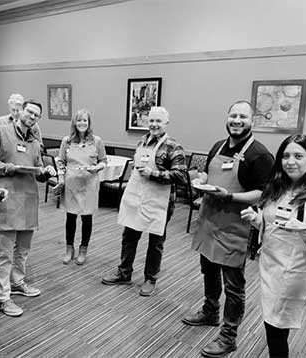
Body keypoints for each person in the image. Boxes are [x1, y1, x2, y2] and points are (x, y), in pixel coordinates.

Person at [181, 100, 275, 358]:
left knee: (234, 285)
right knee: (208, 270)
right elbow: (208, 177)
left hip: (235, 227)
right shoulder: (217, 146)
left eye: (243, 116)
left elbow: (264, 194)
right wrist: (201, 180)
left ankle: (228, 336)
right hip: (210, 221)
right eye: (233, 115)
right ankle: (210, 311)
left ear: (252, 121)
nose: (237, 120)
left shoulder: (260, 155)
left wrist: (230, 196)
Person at [241, 134, 306, 358]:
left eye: (298, 156)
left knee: (276, 327)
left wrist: (305, 230)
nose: (290, 161)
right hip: (269, 265)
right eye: (285, 156)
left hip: (294, 270)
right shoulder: (279, 187)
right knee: (271, 321)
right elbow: (271, 221)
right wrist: (256, 220)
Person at [101, 106, 187, 296]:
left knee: (155, 242)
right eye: (151, 121)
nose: (154, 125)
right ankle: (124, 273)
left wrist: (154, 174)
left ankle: (150, 279)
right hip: (137, 198)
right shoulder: (142, 141)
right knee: (129, 238)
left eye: (158, 121)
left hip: (160, 203)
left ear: (166, 123)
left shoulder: (173, 146)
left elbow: (181, 176)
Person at [0, 99, 56, 317]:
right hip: (7, 198)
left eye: (36, 115)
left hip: (28, 199)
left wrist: (45, 173)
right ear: (20, 112)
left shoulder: (35, 142)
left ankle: (17, 282)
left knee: (23, 249)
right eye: (29, 112)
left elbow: (36, 170)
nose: (32, 116)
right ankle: (2, 298)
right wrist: (7, 168)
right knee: (5, 251)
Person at [55, 109, 107, 265]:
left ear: (89, 123)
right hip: (71, 184)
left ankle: (83, 249)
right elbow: (60, 162)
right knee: (70, 217)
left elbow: (104, 161)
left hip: (89, 184)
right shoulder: (67, 141)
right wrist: (60, 178)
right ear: (74, 123)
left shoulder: (96, 141)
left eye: (85, 120)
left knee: (87, 217)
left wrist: (97, 168)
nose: (82, 123)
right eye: (79, 120)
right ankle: (69, 249)